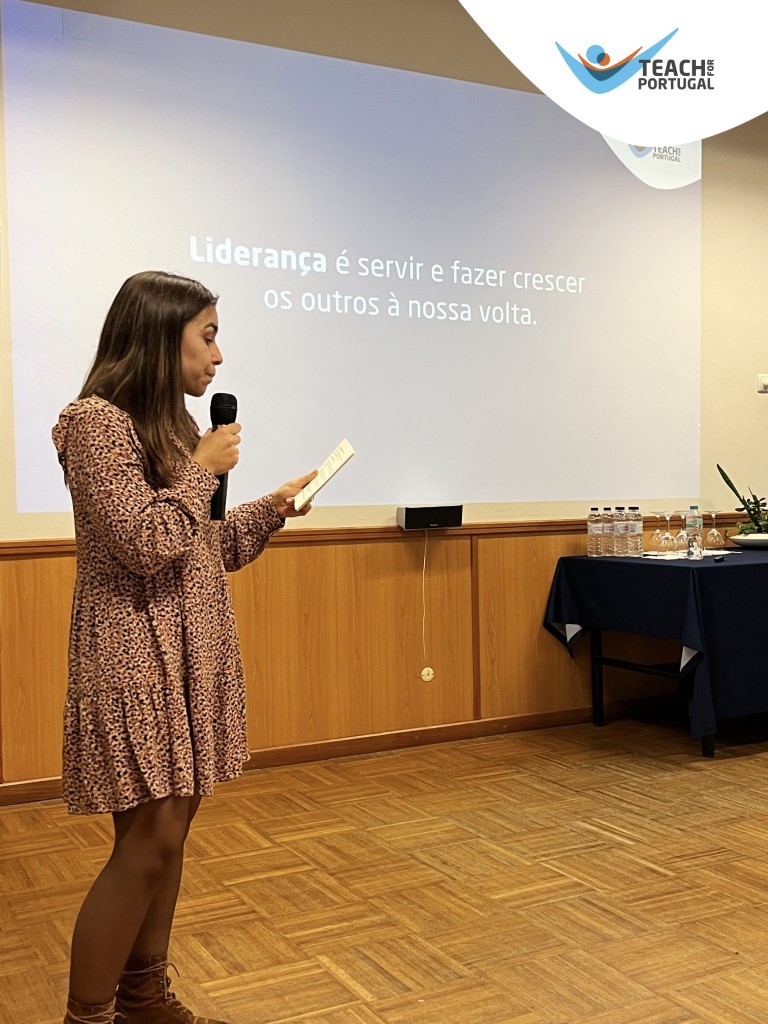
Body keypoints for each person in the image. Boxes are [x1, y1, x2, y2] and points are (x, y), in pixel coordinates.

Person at [52, 270, 317, 1024]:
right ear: (158, 338)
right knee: (148, 840)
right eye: (207, 336)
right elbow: (143, 543)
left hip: (192, 652)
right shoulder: (94, 424)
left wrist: (272, 507)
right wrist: (201, 469)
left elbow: (203, 547)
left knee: (170, 834)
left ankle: (144, 997)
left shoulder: (172, 427)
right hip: (134, 653)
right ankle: (88, 1014)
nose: (219, 356)